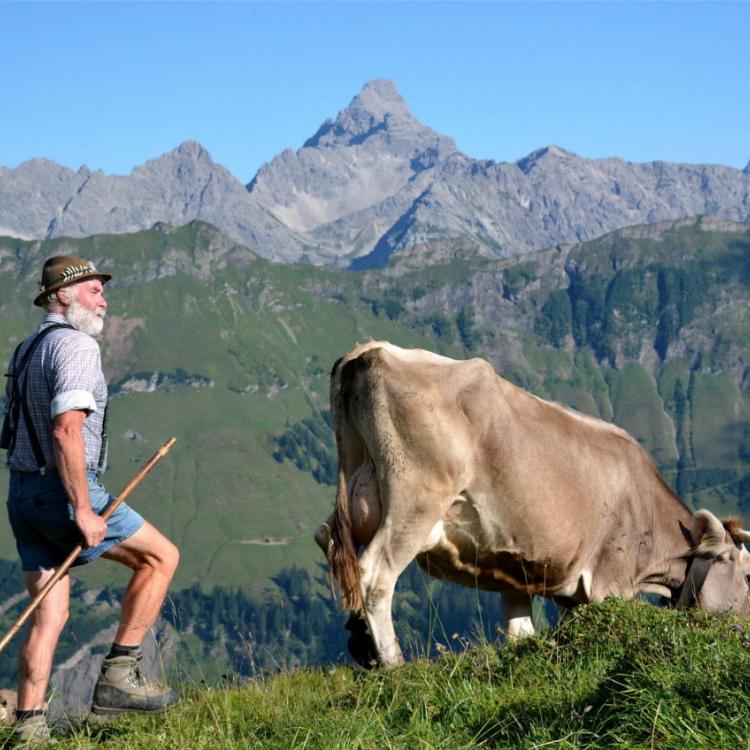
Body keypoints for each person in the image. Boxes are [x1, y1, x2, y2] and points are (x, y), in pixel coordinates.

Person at [3, 255, 180, 747]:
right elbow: (66, 428)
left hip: (21, 494)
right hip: (65, 493)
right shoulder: (76, 345)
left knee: (49, 613)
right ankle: (120, 676)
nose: (103, 300)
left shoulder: (26, 348)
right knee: (161, 558)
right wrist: (83, 508)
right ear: (63, 295)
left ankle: (28, 728)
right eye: (93, 291)